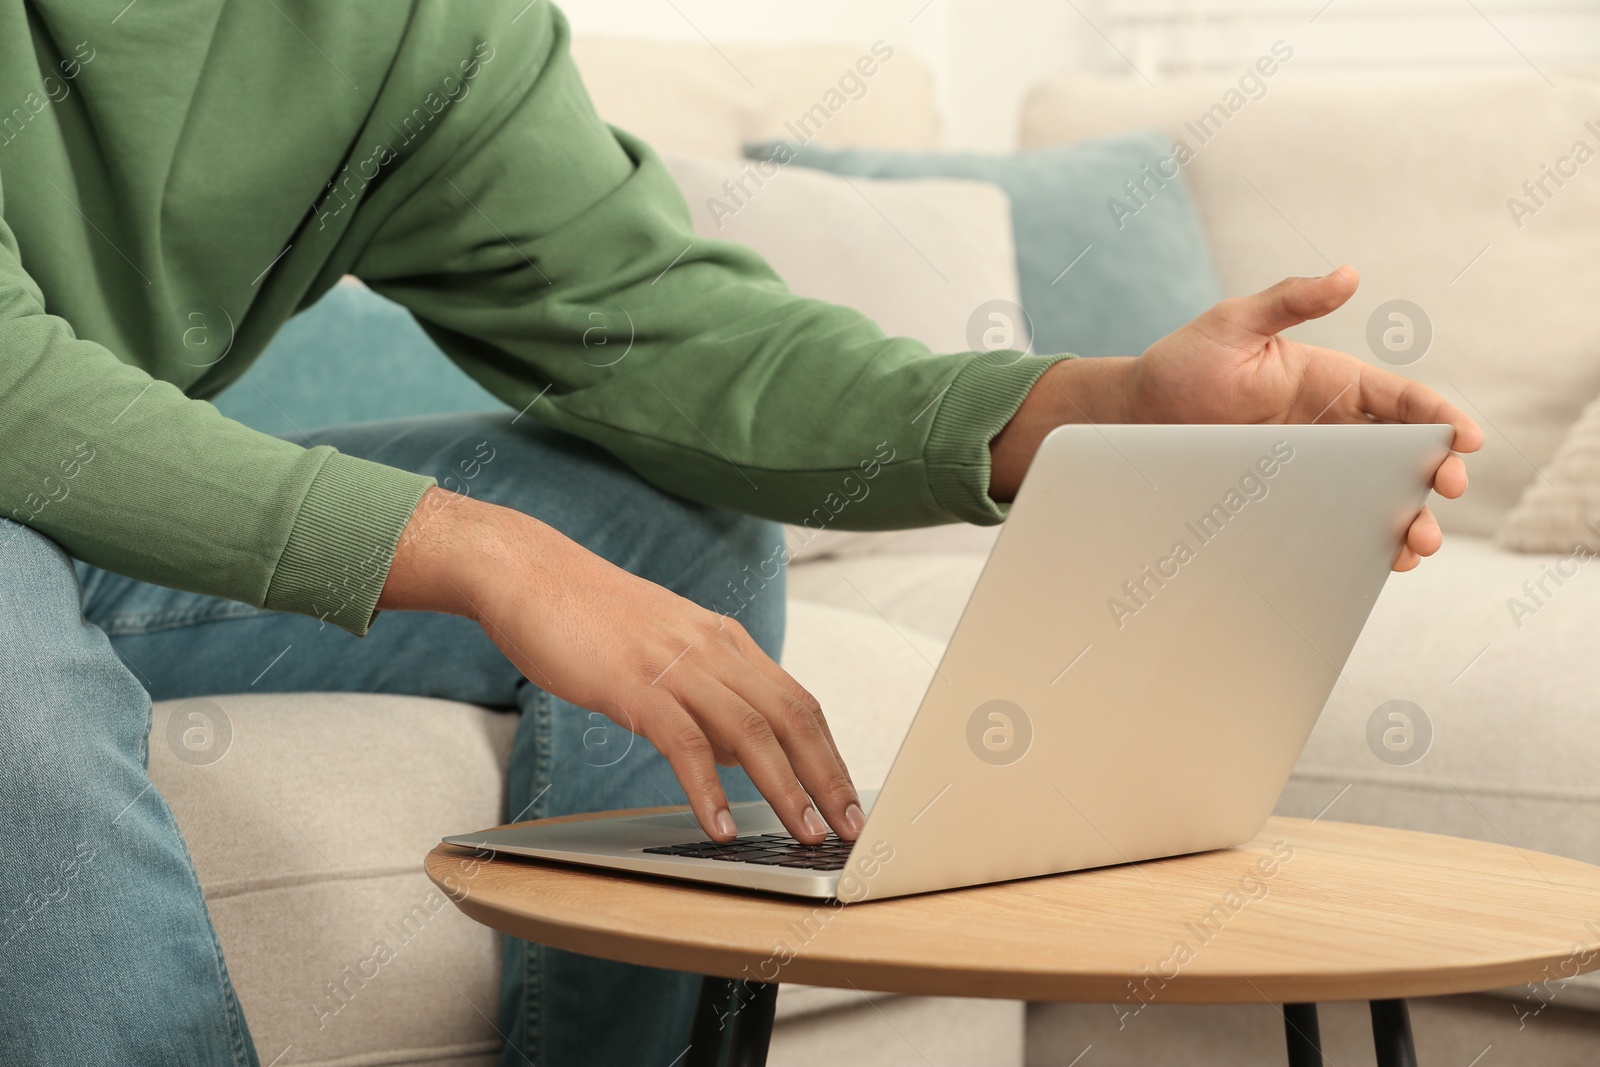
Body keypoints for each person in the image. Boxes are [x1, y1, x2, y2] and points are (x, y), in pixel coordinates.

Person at [0, 2, 1481, 1064]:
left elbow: (670, 333)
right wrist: (492, 554)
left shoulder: (420, 28)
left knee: (654, 531)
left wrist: (1094, 406)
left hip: (71, 519)